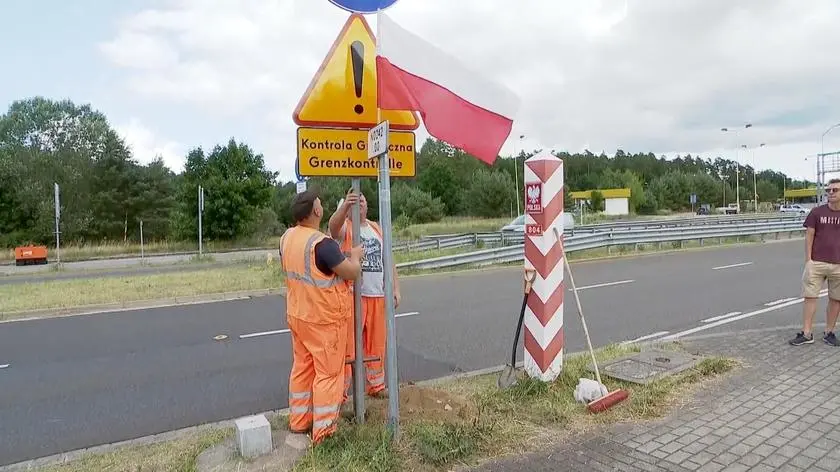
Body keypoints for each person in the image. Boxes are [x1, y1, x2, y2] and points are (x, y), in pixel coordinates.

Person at [278, 189, 363, 443]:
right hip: (323, 320)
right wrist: (356, 257)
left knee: (302, 369)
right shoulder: (322, 244)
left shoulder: (287, 237)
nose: (321, 204)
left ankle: (299, 421)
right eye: (320, 202)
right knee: (328, 375)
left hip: (297, 315)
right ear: (316, 210)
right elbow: (351, 272)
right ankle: (324, 433)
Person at [328, 188, 401, 401]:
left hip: (378, 296)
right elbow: (333, 229)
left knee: (377, 344)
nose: (359, 202)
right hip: (353, 296)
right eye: (355, 200)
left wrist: (395, 288)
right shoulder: (345, 227)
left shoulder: (377, 228)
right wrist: (344, 207)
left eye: (362, 199)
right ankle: (340, 394)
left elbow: (389, 259)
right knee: (348, 347)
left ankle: (376, 386)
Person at [790, 178, 840, 346]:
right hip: (817, 262)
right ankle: (806, 333)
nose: (830, 193)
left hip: (838, 265)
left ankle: (829, 332)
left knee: (836, 299)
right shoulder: (817, 212)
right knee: (810, 296)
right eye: (829, 190)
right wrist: (808, 260)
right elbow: (809, 235)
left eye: (835, 190)